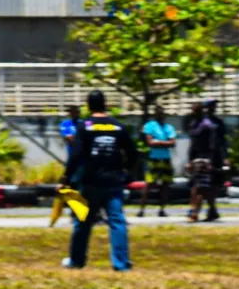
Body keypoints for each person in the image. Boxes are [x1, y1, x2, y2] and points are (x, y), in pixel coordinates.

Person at [62, 90, 137, 271]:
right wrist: (127, 174)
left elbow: (76, 155)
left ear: (89, 105)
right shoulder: (117, 126)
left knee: (83, 222)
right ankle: (121, 263)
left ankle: (76, 261)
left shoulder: (85, 126)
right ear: (105, 104)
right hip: (113, 181)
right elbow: (133, 153)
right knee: (117, 221)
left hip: (90, 182)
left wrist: (66, 177)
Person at [186, 98, 229, 222]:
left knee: (210, 185)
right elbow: (193, 143)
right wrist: (190, 159)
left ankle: (203, 211)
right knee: (199, 185)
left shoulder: (215, 123)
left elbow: (220, 142)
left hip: (212, 156)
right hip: (199, 157)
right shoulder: (195, 123)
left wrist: (224, 157)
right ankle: (205, 210)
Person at [139, 104, 177, 218]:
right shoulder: (150, 126)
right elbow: (150, 143)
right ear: (155, 115)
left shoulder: (169, 127)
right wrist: (164, 143)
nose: (161, 116)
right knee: (149, 183)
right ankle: (142, 209)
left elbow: (173, 143)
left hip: (165, 158)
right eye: (158, 114)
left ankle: (162, 209)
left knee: (165, 184)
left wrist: (158, 142)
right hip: (154, 158)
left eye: (162, 114)